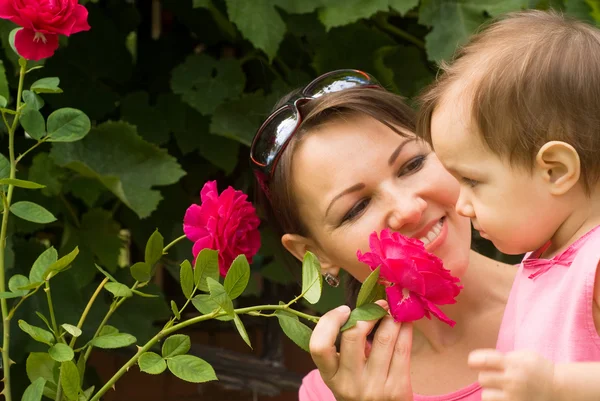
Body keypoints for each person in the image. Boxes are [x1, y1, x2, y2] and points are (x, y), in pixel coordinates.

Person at [249, 69, 515, 400]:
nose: (407, 209)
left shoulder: (586, 282)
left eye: (412, 165)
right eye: (356, 208)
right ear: (314, 255)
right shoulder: (329, 394)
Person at [416, 10, 600, 401]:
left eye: (473, 181)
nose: (461, 204)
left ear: (555, 170)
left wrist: (556, 386)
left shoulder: (595, 265)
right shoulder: (546, 258)